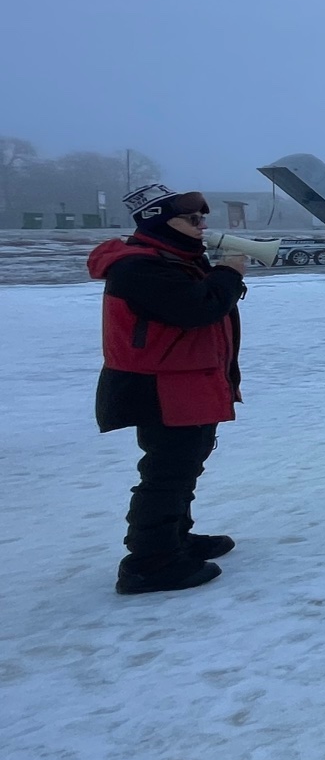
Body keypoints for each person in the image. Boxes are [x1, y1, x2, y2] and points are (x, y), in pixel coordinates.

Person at [88, 184, 249, 594]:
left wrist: (220, 276)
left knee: (185, 466)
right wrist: (228, 272)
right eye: (191, 220)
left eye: (201, 219)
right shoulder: (140, 267)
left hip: (187, 382)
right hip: (163, 387)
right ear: (161, 223)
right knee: (166, 473)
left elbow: (202, 303)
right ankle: (150, 561)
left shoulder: (170, 260)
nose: (201, 226)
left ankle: (174, 538)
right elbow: (197, 309)